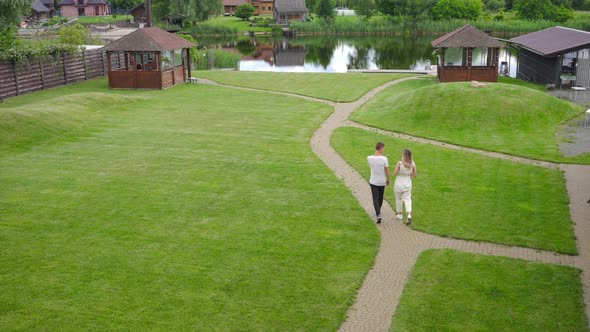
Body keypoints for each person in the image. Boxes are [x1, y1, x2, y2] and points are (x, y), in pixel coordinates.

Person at [367, 142, 390, 224]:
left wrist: (382, 158)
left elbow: (374, 163)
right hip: (381, 181)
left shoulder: (369, 158)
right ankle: (378, 212)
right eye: (383, 148)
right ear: (380, 148)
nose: (384, 150)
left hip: (373, 181)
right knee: (380, 198)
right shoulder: (384, 159)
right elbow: (386, 170)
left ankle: (378, 213)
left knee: (375, 198)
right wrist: (388, 179)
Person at [393, 149, 417, 225]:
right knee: (407, 199)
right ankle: (409, 214)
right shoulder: (412, 163)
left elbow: (395, 173)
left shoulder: (399, 163)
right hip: (407, 182)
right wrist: (408, 173)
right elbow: (414, 175)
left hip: (399, 182)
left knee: (398, 198)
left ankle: (400, 214)